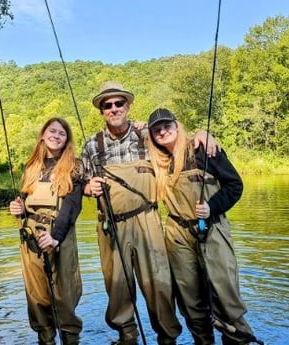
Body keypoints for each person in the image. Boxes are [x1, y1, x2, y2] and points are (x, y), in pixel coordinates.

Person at [81, 81, 219, 345]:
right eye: (107, 105)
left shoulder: (147, 135)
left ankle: (168, 338)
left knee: (160, 283)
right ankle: (127, 336)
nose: (113, 108)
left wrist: (204, 133)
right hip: (111, 226)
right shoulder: (91, 145)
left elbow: (179, 144)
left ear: (128, 105)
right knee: (117, 286)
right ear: (101, 110)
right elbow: (80, 183)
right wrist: (88, 187)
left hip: (148, 220)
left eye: (118, 103)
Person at [146, 108, 255, 345]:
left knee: (225, 294)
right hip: (177, 234)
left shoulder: (204, 150)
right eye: (157, 130)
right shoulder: (157, 161)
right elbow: (124, 128)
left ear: (177, 126)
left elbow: (234, 186)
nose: (163, 132)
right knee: (190, 299)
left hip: (213, 229)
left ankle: (239, 339)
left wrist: (212, 207)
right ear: (152, 136)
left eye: (167, 126)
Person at [9, 117, 83, 345]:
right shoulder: (31, 166)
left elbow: (73, 205)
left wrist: (55, 238)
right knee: (36, 295)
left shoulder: (75, 166)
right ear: (43, 134)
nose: (56, 136)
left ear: (67, 139)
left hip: (59, 233)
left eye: (62, 133)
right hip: (30, 236)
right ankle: (46, 338)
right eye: (52, 131)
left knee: (65, 294)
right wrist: (17, 208)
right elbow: (23, 200)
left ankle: (70, 338)